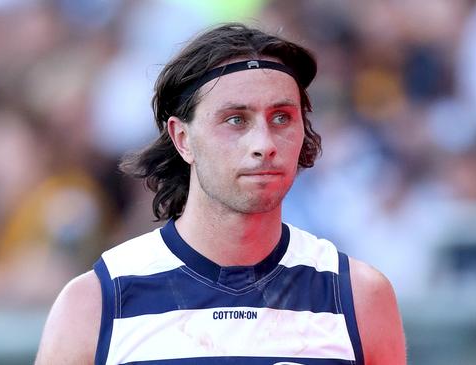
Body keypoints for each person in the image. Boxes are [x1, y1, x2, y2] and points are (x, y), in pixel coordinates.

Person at [35, 23, 406, 365]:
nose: (263, 143)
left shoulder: (358, 296)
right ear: (182, 139)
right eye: (236, 120)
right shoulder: (96, 303)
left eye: (281, 117)